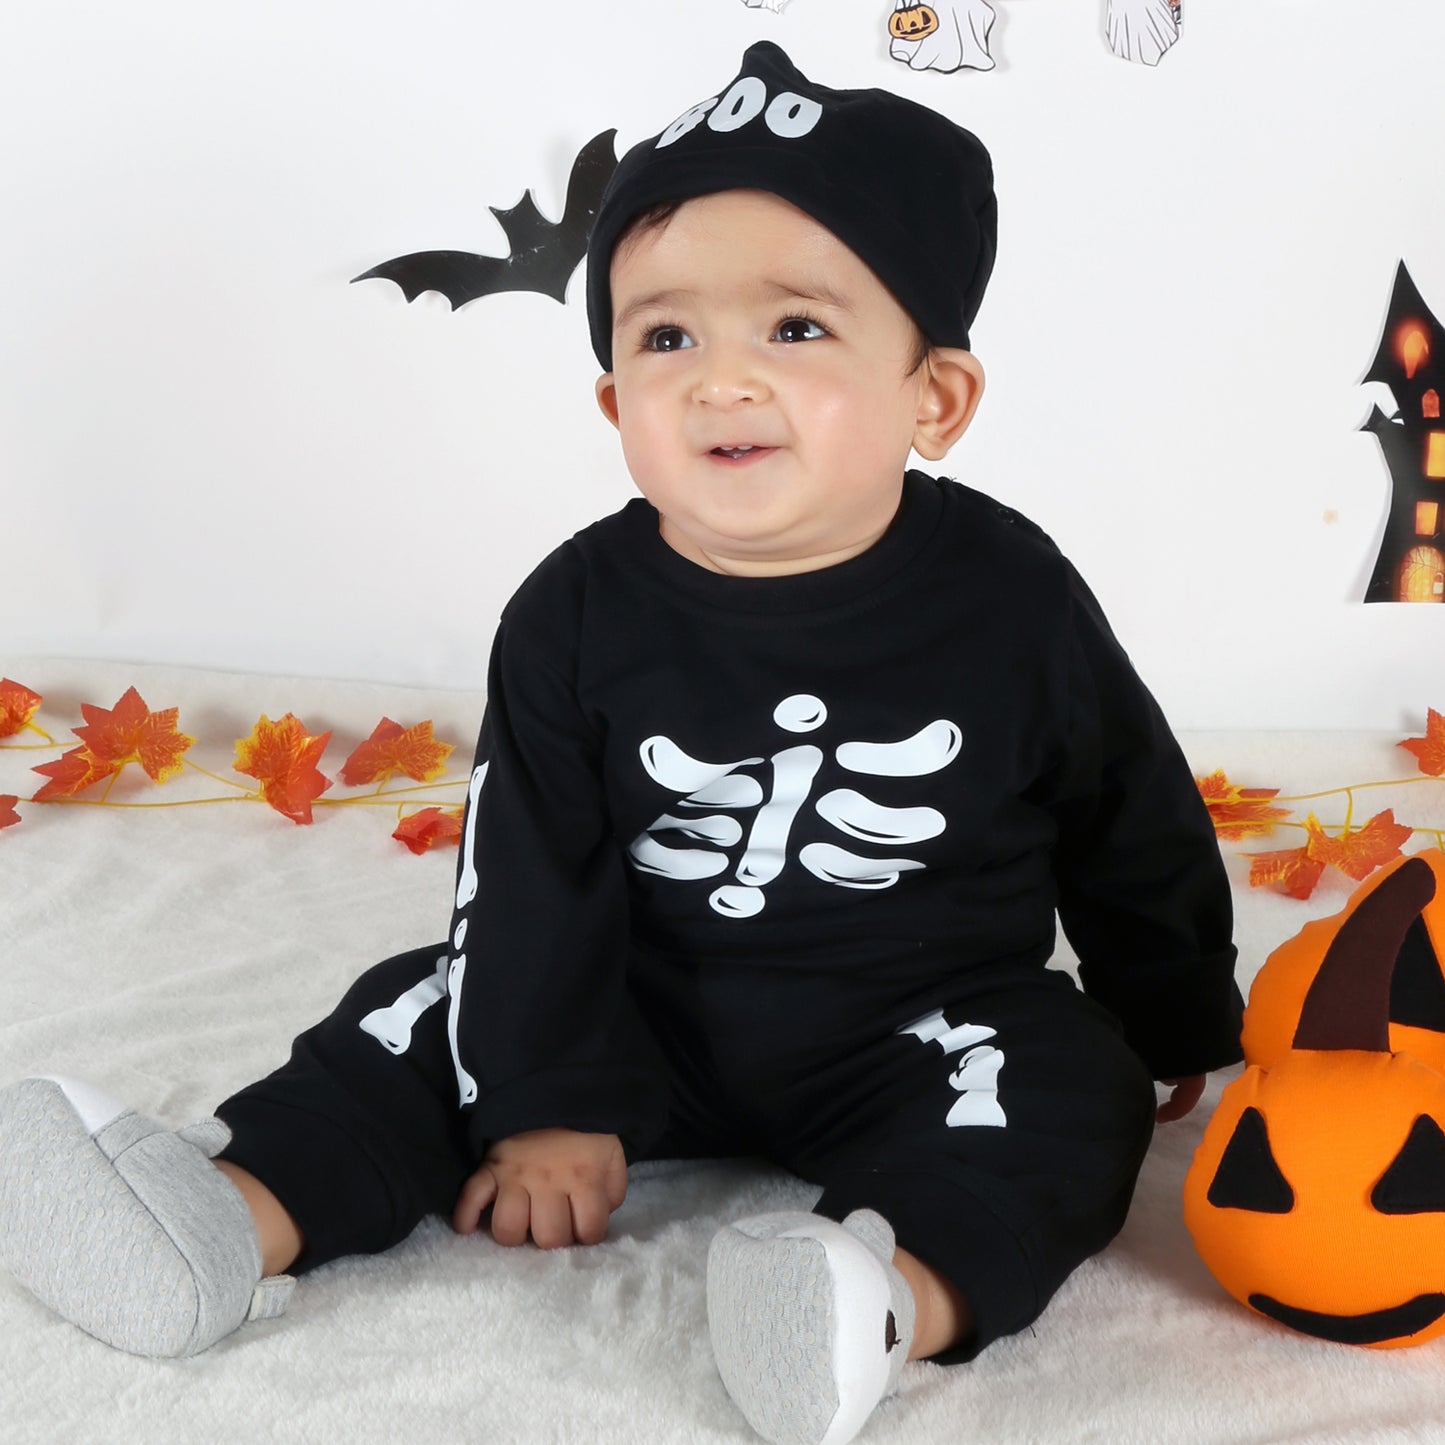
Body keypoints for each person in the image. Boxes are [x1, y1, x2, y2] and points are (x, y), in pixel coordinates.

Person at [0, 41, 1241, 1445]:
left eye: (795, 329)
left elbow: (1125, 802)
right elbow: (526, 869)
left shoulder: (1012, 596)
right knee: (419, 1014)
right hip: (631, 1001)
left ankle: (880, 1300)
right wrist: (545, 1097)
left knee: (1071, 1082)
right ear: (613, 405)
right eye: (665, 339)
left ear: (933, 398)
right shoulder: (574, 612)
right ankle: (225, 1220)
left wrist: (1171, 1007)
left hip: (925, 1019)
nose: (720, 381)